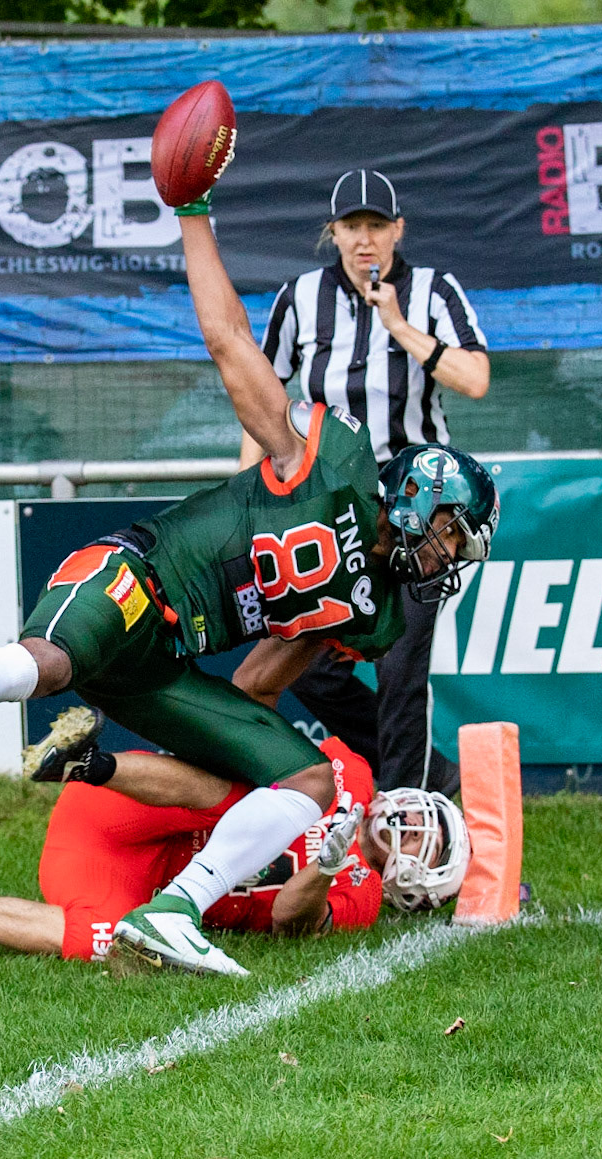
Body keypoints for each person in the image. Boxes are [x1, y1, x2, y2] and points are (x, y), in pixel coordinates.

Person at [0, 170, 499, 978]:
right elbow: (231, 342)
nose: (448, 555)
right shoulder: (329, 457)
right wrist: (194, 215)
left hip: (169, 661)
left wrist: (239, 780)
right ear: (415, 501)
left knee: (306, 777)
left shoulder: (369, 613)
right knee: (48, 663)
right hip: (139, 579)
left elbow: (261, 681)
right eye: (449, 534)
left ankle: (173, 911)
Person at [248, 169, 492, 795]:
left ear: (397, 231)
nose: (365, 240)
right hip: (333, 507)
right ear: (332, 233)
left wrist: (401, 326)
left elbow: (476, 379)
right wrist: (252, 493)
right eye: (352, 226)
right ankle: (426, 775)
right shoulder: (300, 296)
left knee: (403, 665)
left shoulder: (433, 290)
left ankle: (412, 818)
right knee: (307, 663)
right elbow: (263, 397)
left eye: (376, 226)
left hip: (421, 510)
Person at [0, 722, 472, 961]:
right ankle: (85, 763)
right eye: (426, 816)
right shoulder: (350, 773)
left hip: (123, 880)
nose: (413, 823)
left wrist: (327, 866)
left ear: (414, 885)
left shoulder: (360, 898)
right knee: (235, 795)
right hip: (129, 809)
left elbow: (288, 919)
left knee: (106, 943)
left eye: (427, 842)